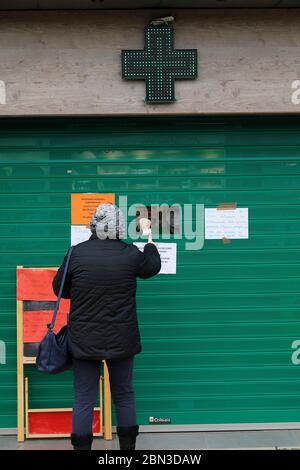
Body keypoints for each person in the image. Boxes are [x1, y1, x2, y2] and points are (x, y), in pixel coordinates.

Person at [52, 203, 161, 450]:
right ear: (120, 226)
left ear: (93, 225)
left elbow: (59, 288)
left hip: (84, 340)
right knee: (123, 394)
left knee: (83, 398)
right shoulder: (130, 253)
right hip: (122, 338)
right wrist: (149, 236)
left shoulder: (76, 253)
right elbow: (152, 266)